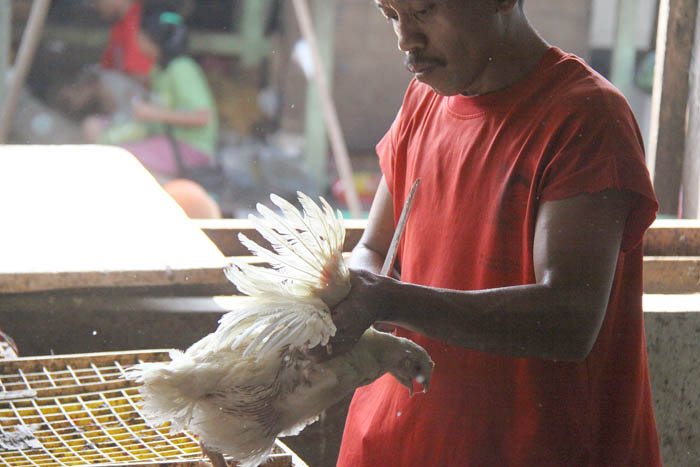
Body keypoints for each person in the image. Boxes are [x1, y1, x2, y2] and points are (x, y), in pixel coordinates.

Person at [327, 1, 662, 465]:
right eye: (391, 14)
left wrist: (388, 300)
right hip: (397, 442)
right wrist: (353, 296)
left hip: (530, 449)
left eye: (422, 11)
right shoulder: (425, 100)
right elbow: (374, 248)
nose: (406, 39)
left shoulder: (585, 117)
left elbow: (569, 318)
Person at [83, 9, 219, 183]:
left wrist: (152, 113)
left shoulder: (182, 68)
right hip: (164, 140)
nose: (137, 39)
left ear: (153, 40)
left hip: (189, 147)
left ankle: (169, 190)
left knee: (123, 159)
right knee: (97, 131)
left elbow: (203, 117)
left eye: (140, 36)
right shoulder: (159, 70)